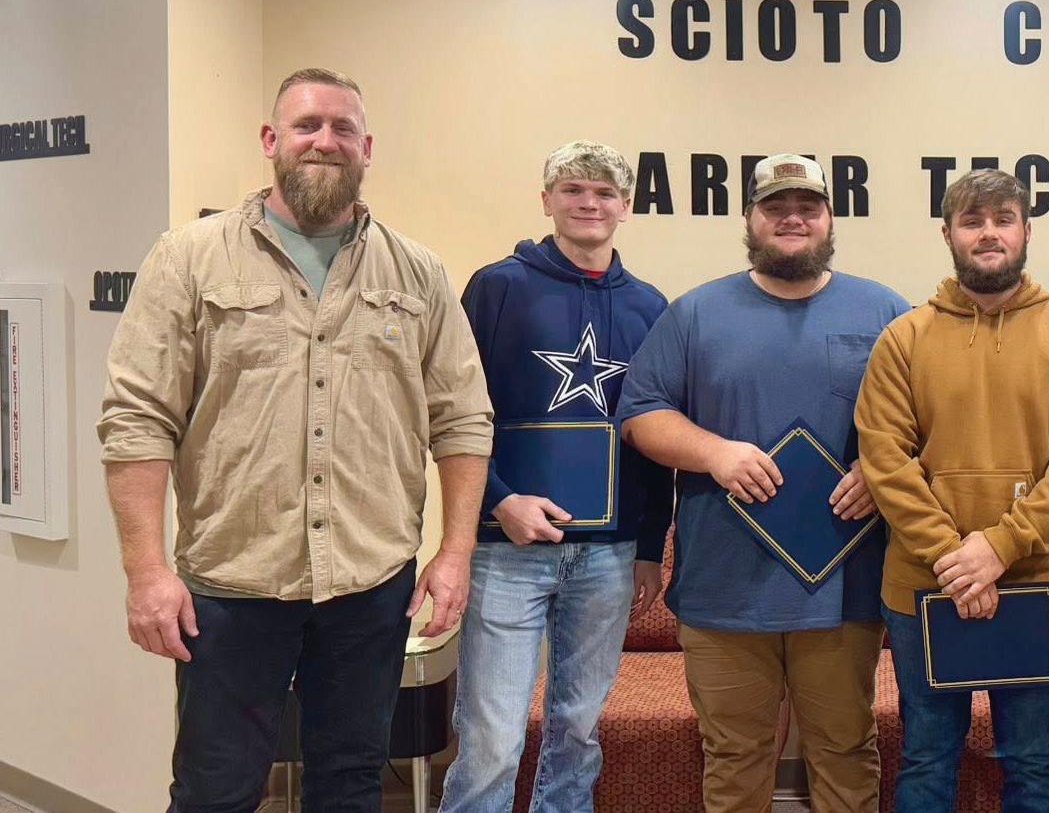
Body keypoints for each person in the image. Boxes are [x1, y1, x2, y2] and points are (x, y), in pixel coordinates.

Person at [98, 67, 494, 811]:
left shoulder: (418, 272)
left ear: (367, 148)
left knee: (350, 784)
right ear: (271, 139)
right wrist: (145, 571)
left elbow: (464, 419)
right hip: (232, 583)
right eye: (307, 125)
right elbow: (137, 419)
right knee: (216, 789)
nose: (325, 141)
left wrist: (455, 554)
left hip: (370, 584)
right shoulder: (189, 257)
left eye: (344, 128)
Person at [619, 154, 908, 813]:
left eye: (808, 207)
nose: (792, 219)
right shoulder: (695, 313)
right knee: (734, 758)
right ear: (750, 219)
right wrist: (714, 452)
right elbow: (640, 416)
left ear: (830, 218)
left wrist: (881, 467)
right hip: (725, 590)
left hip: (845, 590)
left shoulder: (885, 310)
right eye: (776, 208)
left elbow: (931, 419)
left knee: (845, 751)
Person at [855, 168, 1049, 813]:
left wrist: (999, 548)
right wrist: (955, 558)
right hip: (924, 584)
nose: (989, 233)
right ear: (948, 234)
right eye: (972, 221)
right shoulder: (905, 338)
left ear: (1026, 232)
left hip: (1038, 583)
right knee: (926, 756)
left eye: (1003, 219)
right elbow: (885, 459)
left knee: (1032, 760)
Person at [438, 140, 673, 812]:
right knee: (491, 738)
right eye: (573, 190)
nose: (589, 203)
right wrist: (500, 501)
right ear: (547, 201)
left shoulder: (651, 306)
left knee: (578, 728)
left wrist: (649, 546)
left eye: (604, 193)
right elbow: (454, 411)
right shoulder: (497, 287)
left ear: (626, 207)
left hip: (609, 555)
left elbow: (655, 432)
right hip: (505, 549)